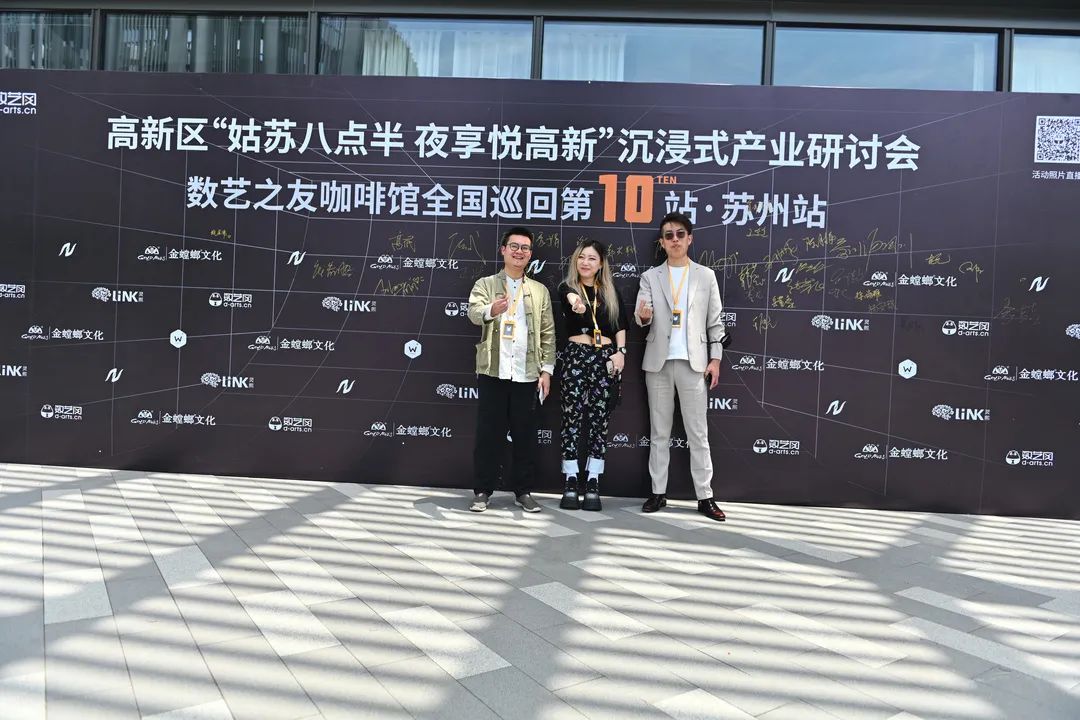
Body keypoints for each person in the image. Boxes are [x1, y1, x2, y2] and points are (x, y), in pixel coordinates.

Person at [634, 212, 728, 521]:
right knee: (659, 432)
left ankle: (705, 496)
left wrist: (715, 359)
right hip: (658, 363)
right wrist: (644, 316)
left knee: (698, 433)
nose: (674, 239)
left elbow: (715, 323)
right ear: (662, 243)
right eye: (668, 235)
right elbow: (641, 315)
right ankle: (657, 492)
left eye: (680, 234)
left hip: (694, 363)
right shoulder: (650, 277)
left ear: (690, 238)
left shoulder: (706, 276)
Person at [467, 227, 556, 513]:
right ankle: (482, 491)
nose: (519, 252)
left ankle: (523, 492)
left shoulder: (539, 291)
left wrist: (546, 370)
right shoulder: (485, 284)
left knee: (525, 436)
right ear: (503, 250)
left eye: (525, 248)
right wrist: (492, 310)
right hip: (493, 371)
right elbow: (473, 313)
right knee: (488, 435)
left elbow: (547, 333)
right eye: (514, 246)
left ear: (530, 255)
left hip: (526, 374)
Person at [557, 240, 628, 511]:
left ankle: (593, 479)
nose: (585, 262)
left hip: (605, 357)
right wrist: (577, 303)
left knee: (600, 419)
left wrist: (621, 353)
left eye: (592, 258)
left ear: (600, 264)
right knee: (571, 417)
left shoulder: (610, 291)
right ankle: (571, 478)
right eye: (581, 257)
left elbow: (620, 325)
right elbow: (572, 299)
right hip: (576, 355)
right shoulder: (567, 287)